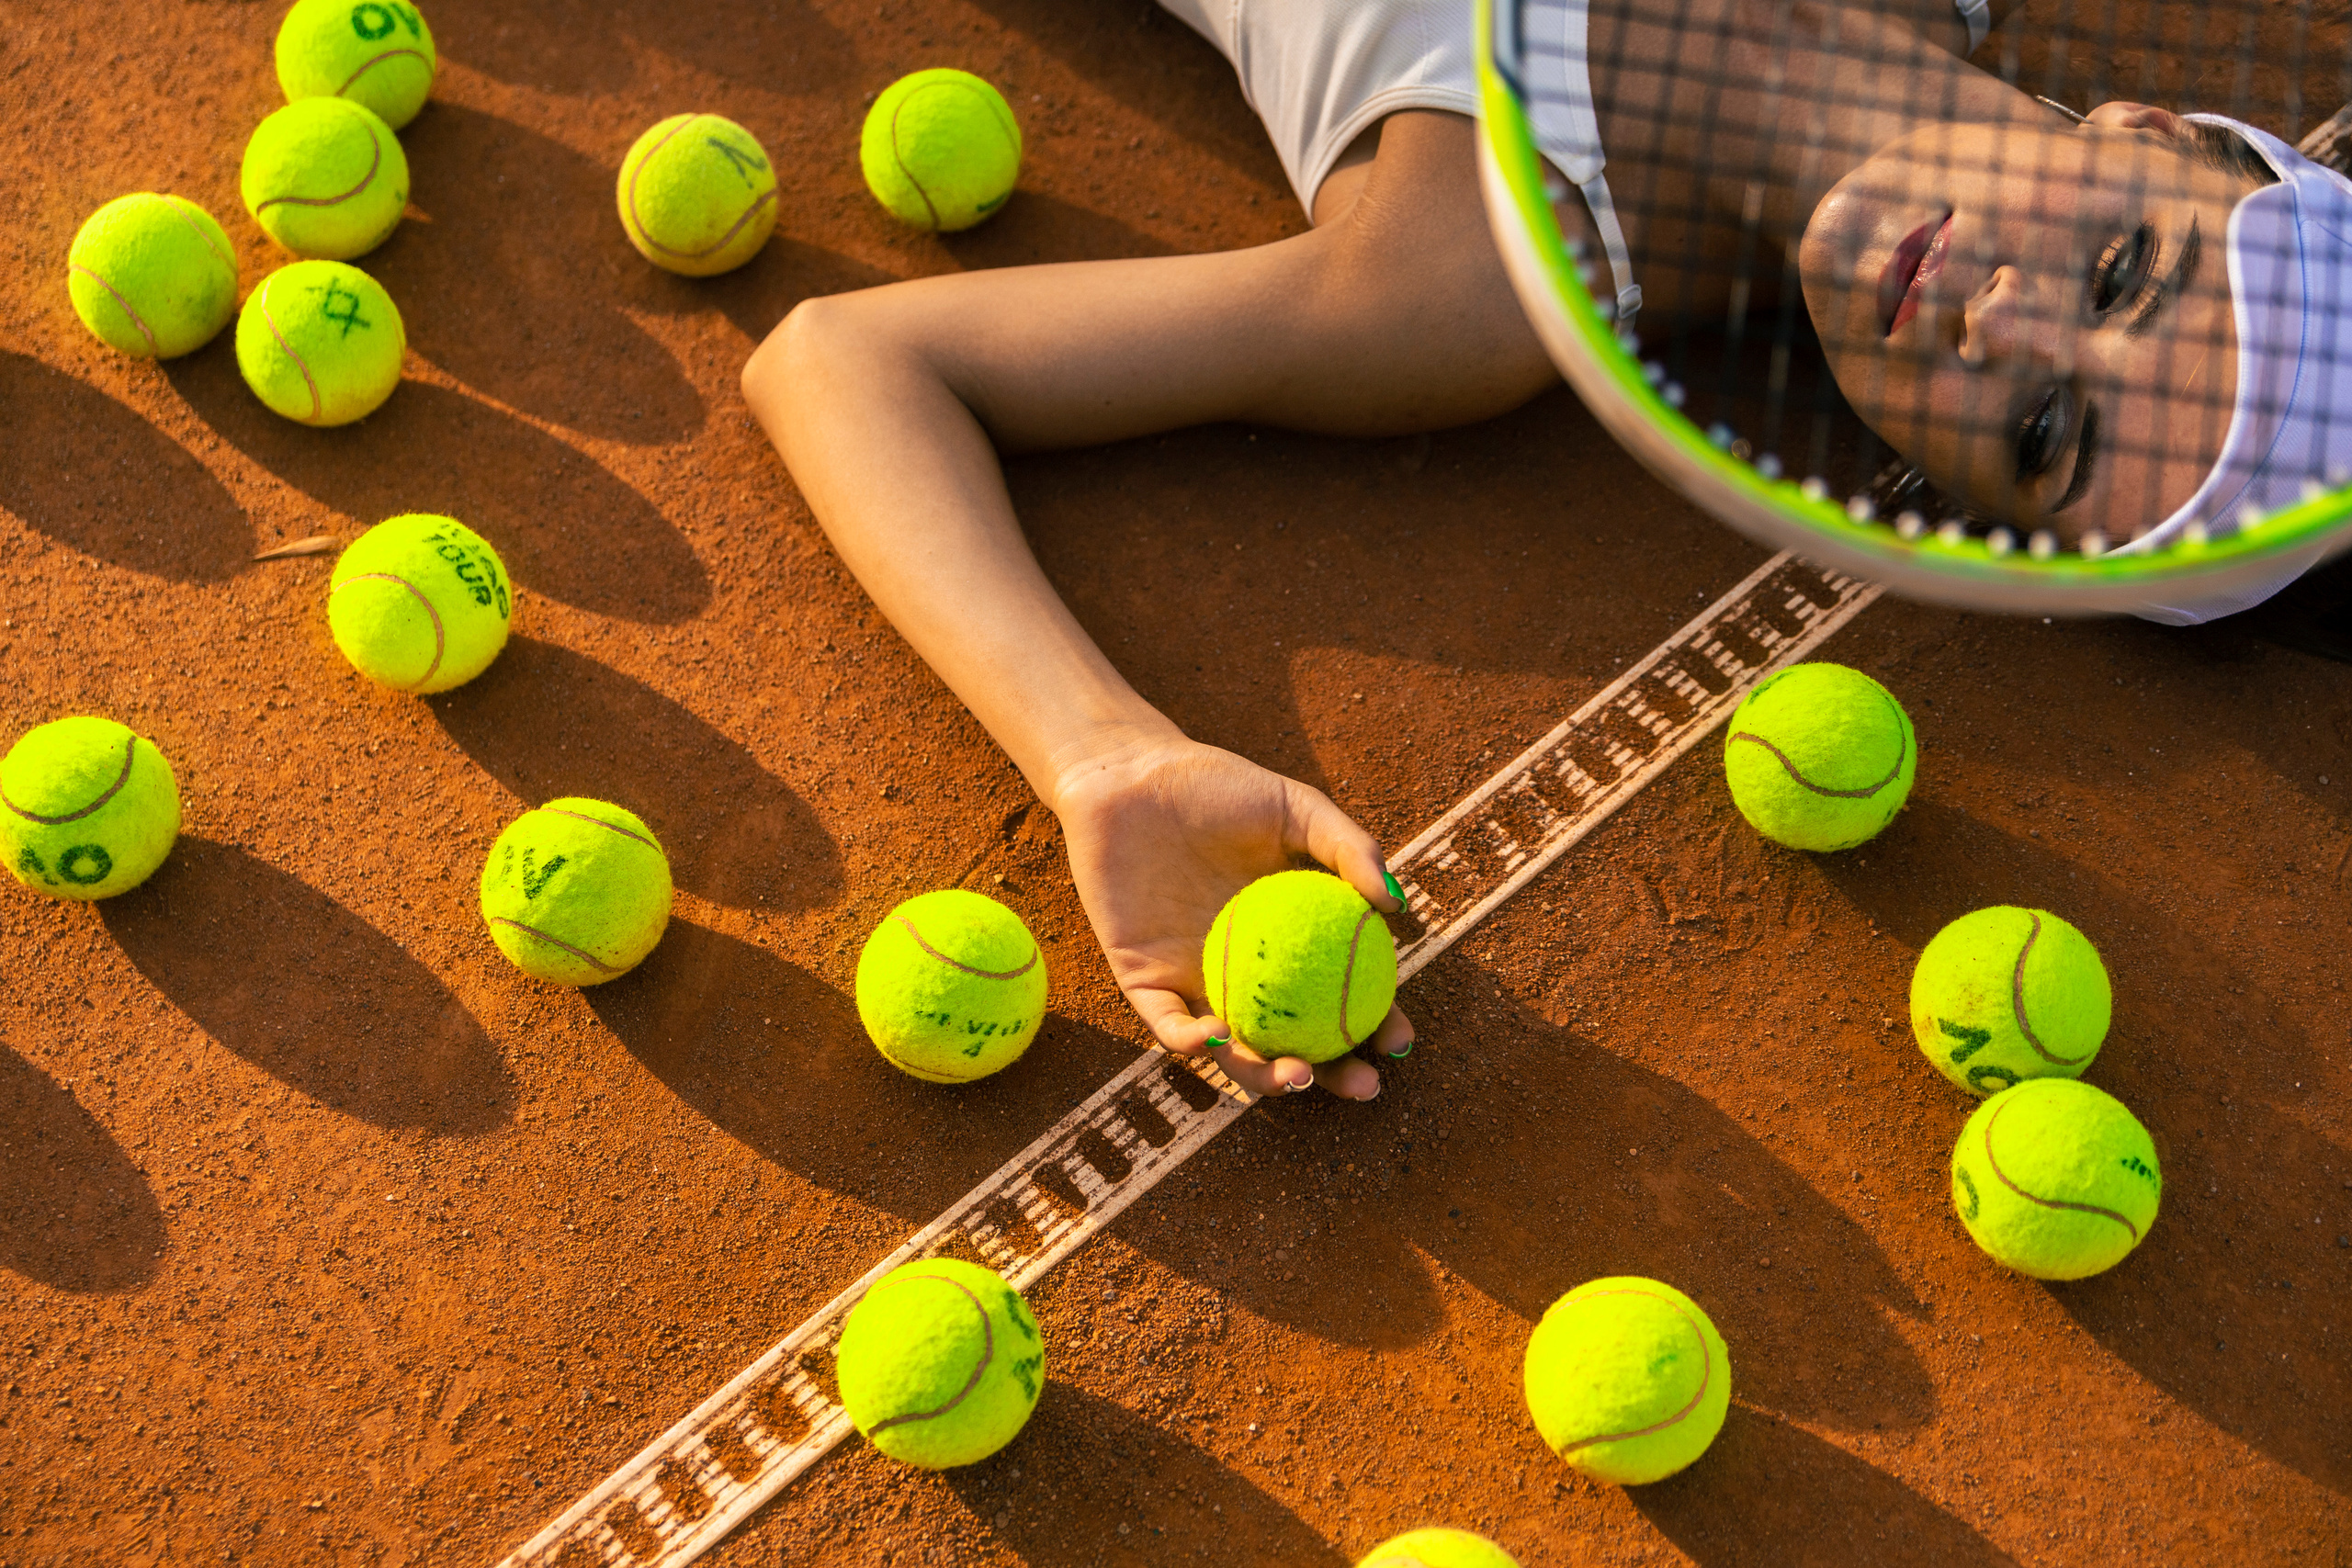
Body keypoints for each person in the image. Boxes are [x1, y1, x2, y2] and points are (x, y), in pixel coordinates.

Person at [741, 0, 2346, 1100]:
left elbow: (844, 362)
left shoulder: (1456, 285)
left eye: (2045, 433)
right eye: (2123, 267)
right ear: (2149, 125)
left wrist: (1101, 754)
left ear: (1959, 498)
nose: (2003, 322)